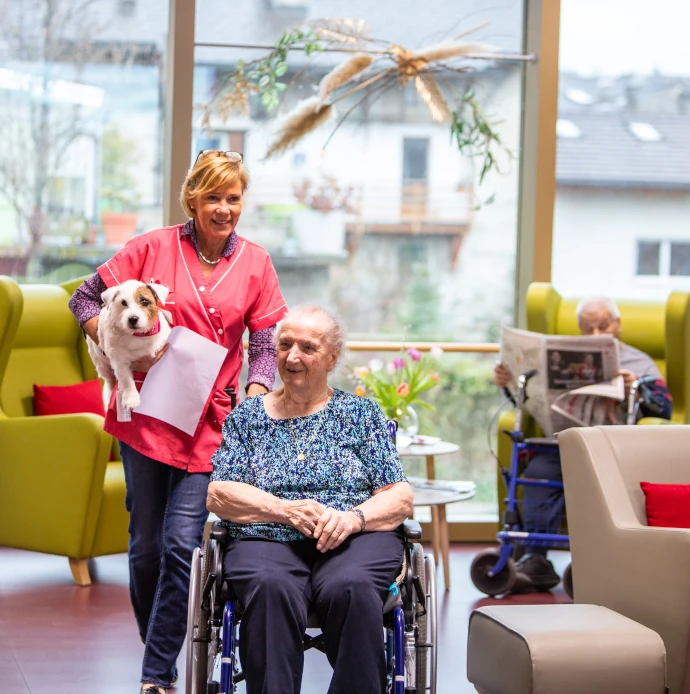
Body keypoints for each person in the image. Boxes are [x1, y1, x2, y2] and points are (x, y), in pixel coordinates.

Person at [68, 150, 288, 694]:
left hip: (213, 419)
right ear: (192, 198)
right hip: (146, 410)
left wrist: (256, 391)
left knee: (180, 542)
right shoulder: (151, 247)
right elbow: (83, 298)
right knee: (144, 547)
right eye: (212, 197)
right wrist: (114, 340)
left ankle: (156, 674)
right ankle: (159, 648)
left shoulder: (257, 262)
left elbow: (264, 341)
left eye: (233, 198)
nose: (223, 209)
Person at [207, 305, 413, 694]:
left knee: (350, 585)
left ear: (332, 358)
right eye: (284, 345)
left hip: (354, 537)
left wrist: (353, 518)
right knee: (269, 587)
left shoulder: (360, 413)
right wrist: (282, 510)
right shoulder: (247, 418)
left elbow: (399, 496)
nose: (293, 356)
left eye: (308, 347)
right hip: (267, 537)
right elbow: (219, 492)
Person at [494, 296, 672, 591]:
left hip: (612, 449)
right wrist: (509, 382)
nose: (596, 334)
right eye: (588, 328)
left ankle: (595, 560)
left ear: (618, 325)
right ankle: (536, 559)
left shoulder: (639, 362)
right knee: (538, 472)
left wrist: (636, 390)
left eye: (603, 326)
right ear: (579, 329)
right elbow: (529, 404)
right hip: (562, 444)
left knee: (599, 482)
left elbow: (664, 408)